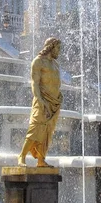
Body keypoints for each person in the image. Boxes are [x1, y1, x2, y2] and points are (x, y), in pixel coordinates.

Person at [18, 37, 62, 167]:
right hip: (42, 100)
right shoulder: (38, 62)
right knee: (35, 128)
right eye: (58, 48)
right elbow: (35, 84)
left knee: (48, 131)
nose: (59, 51)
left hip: (55, 102)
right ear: (51, 47)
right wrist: (40, 100)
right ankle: (22, 156)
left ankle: (41, 160)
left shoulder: (55, 64)